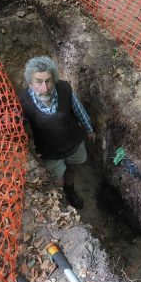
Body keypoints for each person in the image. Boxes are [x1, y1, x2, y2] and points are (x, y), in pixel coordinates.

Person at [18, 56, 95, 209]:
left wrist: (89, 129)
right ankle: (62, 201)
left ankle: (70, 191)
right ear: (30, 83)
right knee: (56, 180)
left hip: (73, 141)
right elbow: (18, 123)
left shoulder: (64, 88)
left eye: (48, 81)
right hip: (50, 150)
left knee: (72, 168)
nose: (45, 88)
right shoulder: (23, 101)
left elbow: (79, 110)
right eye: (38, 82)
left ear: (54, 79)